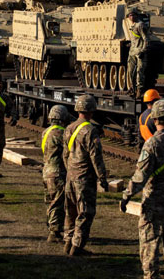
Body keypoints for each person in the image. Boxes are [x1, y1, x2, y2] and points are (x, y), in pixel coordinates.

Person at [120, 99, 164, 279]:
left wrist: (126, 195)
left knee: (150, 244)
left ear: (154, 120)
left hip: (156, 201)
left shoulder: (151, 144)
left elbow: (140, 177)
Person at [63, 94, 108, 256]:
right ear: (91, 111)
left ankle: (68, 241)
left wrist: (69, 170)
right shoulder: (90, 131)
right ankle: (77, 246)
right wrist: (102, 178)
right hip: (84, 178)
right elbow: (96, 157)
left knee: (71, 211)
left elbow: (65, 155)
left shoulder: (69, 128)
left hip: (70, 176)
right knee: (86, 212)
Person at [41, 104, 71, 243]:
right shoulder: (61, 134)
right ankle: (54, 232)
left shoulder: (46, 132)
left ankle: (51, 226)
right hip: (57, 172)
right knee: (57, 202)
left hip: (46, 170)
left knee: (50, 200)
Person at [127, 9, 150, 96]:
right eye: (130, 15)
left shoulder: (140, 25)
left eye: (134, 15)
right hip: (132, 51)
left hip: (140, 51)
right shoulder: (132, 25)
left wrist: (143, 50)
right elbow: (135, 38)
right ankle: (132, 88)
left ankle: (139, 90)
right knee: (130, 71)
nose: (132, 17)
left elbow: (146, 39)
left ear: (137, 16)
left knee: (139, 71)